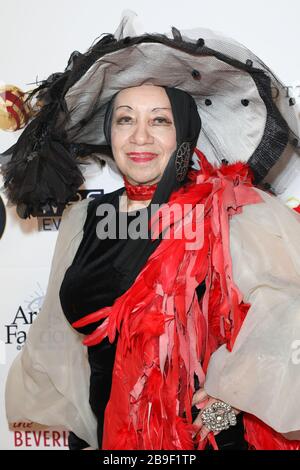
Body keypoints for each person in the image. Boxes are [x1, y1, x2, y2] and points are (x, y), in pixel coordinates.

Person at [1, 13, 300, 451]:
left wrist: (231, 401)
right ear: (110, 131)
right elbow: (58, 343)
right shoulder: (83, 219)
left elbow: (286, 315)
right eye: (125, 119)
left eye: (159, 120)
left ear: (184, 131)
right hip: (112, 438)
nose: (140, 136)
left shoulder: (233, 211)